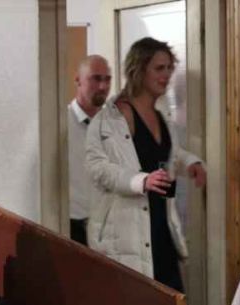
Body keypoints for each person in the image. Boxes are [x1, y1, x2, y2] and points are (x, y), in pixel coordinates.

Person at [85, 37, 205, 291]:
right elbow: (98, 167)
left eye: (169, 68)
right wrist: (141, 181)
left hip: (161, 227)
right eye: (159, 68)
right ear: (139, 69)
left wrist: (191, 163)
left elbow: (168, 154)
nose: (166, 75)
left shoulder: (160, 116)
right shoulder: (113, 117)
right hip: (127, 233)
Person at [68, 55, 112, 245]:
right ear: (78, 80)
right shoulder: (60, 124)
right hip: (72, 226)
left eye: (107, 79)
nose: (103, 86)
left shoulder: (116, 125)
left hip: (109, 226)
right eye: (96, 78)